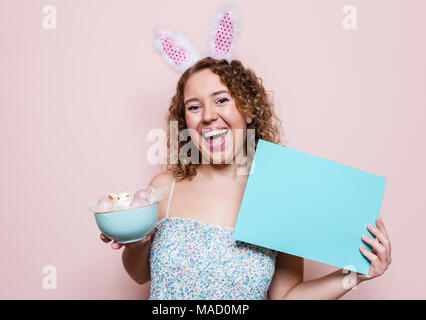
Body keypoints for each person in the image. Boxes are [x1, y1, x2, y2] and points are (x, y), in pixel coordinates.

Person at [100, 57, 392, 299]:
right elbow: (139, 275)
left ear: (248, 110)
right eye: (194, 106)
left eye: (222, 100)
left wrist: (354, 276)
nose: (208, 116)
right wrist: (134, 240)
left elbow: (286, 297)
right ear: (185, 122)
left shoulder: (278, 195)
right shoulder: (165, 187)